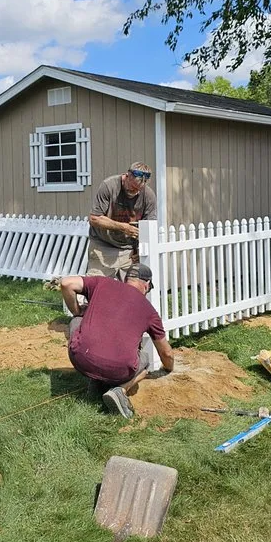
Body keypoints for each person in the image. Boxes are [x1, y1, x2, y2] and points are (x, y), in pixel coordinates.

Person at [60, 264, 174, 419]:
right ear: (146, 285)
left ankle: (95, 383)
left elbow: (66, 283)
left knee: (79, 320)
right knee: (145, 361)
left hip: (80, 359)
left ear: (126, 279)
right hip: (118, 371)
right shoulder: (150, 312)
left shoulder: (102, 283)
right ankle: (120, 390)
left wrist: (77, 311)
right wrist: (168, 368)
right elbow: (166, 352)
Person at [87, 162, 157, 279]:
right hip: (103, 245)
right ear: (127, 175)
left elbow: (149, 227)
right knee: (97, 286)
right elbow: (94, 218)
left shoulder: (148, 196)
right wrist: (123, 227)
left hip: (129, 250)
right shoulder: (109, 186)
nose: (135, 192)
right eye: (132, 187)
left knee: (129, 290)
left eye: (138, 189)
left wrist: (139, 250)